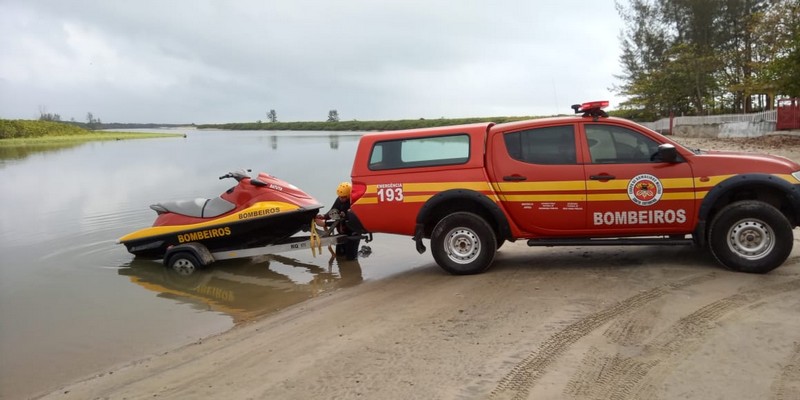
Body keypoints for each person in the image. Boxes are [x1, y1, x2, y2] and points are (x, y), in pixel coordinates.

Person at [315, 182, 361, 260]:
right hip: (341, 233)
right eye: (340, 196)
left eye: (343, 197)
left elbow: (348, 220)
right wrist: (324, 216)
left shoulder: (354, 203)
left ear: (349, 195)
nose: (341, 199)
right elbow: (333, 211)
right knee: (339, 257)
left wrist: (325, 224)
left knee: (350, 259)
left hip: (352, 234)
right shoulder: (339, 200)